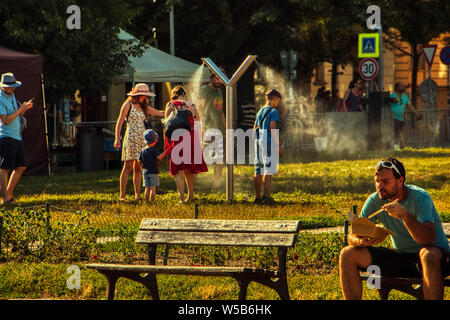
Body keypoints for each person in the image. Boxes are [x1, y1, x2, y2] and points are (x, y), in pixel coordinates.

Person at [339, 157, 450, 300]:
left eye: (385, 182)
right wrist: (361, 242)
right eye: (377, 181)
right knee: (347, 253)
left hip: (435, 258)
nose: (380, 186)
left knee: (427, 254)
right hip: (402, 257)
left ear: (400, 180)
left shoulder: (420, 197)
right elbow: (353, 235)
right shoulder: (375, 200)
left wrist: (405, 216)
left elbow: (428, 239)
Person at [114, 83, 165, 201]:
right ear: (139, 94)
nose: (146, 97)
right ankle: (122, 195)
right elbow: (120, 121)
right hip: (131, 137)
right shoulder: (128, 104)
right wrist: (117, 138)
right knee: (127, 167)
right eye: (144, 95)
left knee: (138, 167)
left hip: (141, 137)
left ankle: (137, 195)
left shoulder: (143, 106)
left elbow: (159, 113)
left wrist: (171, 108)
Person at [165, 85, 208, 204]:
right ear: (183, 94)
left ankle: (182, 199)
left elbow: (167, 123)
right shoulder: (191, 105)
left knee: (178, 170)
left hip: (177, 137)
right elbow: (198, 121)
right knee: (189, 169)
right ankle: (191, 196)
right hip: (191, 136)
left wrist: (166, 140)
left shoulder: (170, 104)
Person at [0, 73, 33, 205]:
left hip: (16, 136)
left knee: (21, 166)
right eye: (10, 87)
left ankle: (8, 195)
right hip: (6, 136)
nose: (13, 89)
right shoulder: (0, 99)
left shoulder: (11, 95)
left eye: (14, 87)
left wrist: (24, 108)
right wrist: (21, 110)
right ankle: (5, 199)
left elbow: (15, 115)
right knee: (5, 168)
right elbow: (6, 120)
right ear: (3, 87)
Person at [253, 89, 282, 205]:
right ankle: (267, 196)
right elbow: (272, 128)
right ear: (274, 98)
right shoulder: (273, 111)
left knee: (257, 169)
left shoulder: (260, 111)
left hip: (258, 141)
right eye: (278, 100)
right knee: (268, 169)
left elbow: (254, 127)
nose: (278, 103)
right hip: (268, 142)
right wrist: (278, 146)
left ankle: (257, 196)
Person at [197, 72, 225, 189]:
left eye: (220, 79)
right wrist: (201, 125)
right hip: (207, 126)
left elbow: (221, 110)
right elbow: (200, 107)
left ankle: (216, 182)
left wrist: (225, 126)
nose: (219, 81)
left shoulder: (219, 91)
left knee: (220, 156)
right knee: (201, 155)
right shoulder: (204, 89)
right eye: (217, 78)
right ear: (212, 78)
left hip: (219, 128)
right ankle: (194, 180)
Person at [139, 129, 169, 202]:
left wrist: (141, 169)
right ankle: (152, 202)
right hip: (153, 172)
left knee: (147, 188)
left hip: (145, 172)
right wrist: (166, 151)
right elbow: (159, 157)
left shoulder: (142, 150)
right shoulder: (154, 150)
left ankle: (146, 202)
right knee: (153, 188)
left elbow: (139, 161)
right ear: (155, 141)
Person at [390, 81, 422, 149]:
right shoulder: (392, 95)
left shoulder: (405, 96)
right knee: (398, 131)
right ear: (397, 88)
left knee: (400, 131)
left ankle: (401, 145)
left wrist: (417, 114)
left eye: (403, 86)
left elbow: (410, 106)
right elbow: (388, 103)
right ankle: (399, 145)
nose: (403, 87)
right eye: (401, 86)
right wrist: (392, 100)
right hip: (393, 117)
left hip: (401, 117)